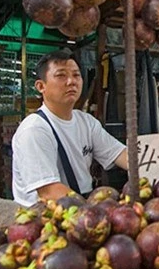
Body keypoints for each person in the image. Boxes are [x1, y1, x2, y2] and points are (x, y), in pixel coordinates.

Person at [12, 50, 128, 207]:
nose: (71, 81)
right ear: (41, 86)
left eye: (76, 75)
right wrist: (93, 212)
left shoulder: (86, 122)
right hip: (45, 217)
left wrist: (156, 168)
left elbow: (122, 155)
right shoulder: (34, 130)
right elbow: (49, 192)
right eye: (61, 76)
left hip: (79, 206)